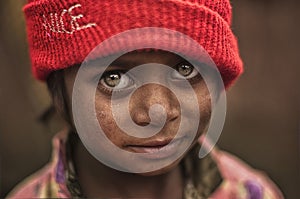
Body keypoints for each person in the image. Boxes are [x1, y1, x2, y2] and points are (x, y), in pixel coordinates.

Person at [7, 0, 283, 198]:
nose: (157, 112)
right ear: (59, 91)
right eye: (114, 79)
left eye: (185, 70)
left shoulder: (251, 192)